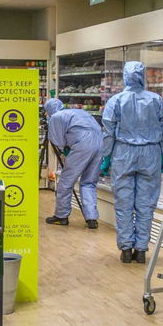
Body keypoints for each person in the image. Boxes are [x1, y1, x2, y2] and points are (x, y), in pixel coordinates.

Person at [100, 61, 163, 264]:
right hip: (151, 153)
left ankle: (126, 248)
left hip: (123, 152)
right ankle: (141, 249)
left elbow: (108, 130)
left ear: (124, 76)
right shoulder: (156, 100)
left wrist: (106, 156)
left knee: (123, 203)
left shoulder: (116, 101)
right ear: (143, 75)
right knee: (146, 204)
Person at [43, 97, 104, 229]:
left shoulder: (56, 116)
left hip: (83, 144)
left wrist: (65, 151)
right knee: (89, 182)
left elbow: (58, 141)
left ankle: (61, 216)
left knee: (66, 181)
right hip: (99, 142)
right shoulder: (78, 112)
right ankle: (91, 218)